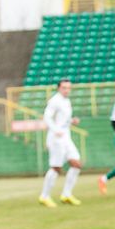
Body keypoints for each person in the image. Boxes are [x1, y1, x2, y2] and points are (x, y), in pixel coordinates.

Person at [38, 79, 82, 207]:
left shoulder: (66, 101)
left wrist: (71, 121)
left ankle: (66, 194)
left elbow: (62, 119)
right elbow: (47, 117)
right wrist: (56, 130)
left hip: (66, 137)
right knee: (56, 168)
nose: (67, 90)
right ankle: (44, 196)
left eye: (68, 87)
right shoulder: (54, 101)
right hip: (56, 138)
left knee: (76, 164)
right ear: (58, 88)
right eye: (64, 87)